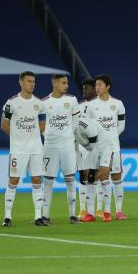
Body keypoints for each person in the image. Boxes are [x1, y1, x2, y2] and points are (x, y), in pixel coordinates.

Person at [0, 71, 46, 227]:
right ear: (21, 82)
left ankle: (38, 217)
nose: (32, 84)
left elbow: (43, 123)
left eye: (33, 81)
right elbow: (4, 125)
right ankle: (7, 217)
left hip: (36, 148)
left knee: (37, 179)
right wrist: (19, 137)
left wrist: (32, 136)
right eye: (28, 81)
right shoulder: (11, 102)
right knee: (14, 180)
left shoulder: (39, 103)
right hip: (18, 149)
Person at [85, 74, 127, 220]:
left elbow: (121, 124)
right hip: (96, 148)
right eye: (96, 85)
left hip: (114, 146)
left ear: (108, 86)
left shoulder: (118, 104)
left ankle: (119, 211)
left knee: (116, 177)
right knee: (94, 178)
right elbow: (87, 126)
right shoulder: (91, 106)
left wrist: (113, 134)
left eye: (100, 85)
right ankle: (93, 212)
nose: (97, 88)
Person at [41, 74, 80, 224]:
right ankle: (45, 216)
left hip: (67, 145)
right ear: (55, 84)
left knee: (70, 179)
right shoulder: (44, 102)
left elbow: (76, 120)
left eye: (67, 82)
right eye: (64, 83)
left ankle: (72, 215)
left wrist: (69, 133)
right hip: (50, 146)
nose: (67, 85)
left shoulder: (72, 100)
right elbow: (41, 123)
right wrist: (47, 135)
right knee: (48, 180)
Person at [75, 116, 115, 222]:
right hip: (90, 149)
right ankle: (91, 214)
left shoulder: (86, 125)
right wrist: (81, 170)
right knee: (88, 179)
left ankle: (107, 212)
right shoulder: (67, 128)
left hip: (105, 147)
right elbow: (76, 151)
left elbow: (95, 148)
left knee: (103, 176)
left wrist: (92, 170)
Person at [76, 78, 97, 219]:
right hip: (83, 146)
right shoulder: (78, 106)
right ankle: (83, 209)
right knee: (83, 178)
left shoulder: (101, 105)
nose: (84, 91)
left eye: (87, 88)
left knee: (98, 178)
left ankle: (99, 209)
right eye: (83, 89)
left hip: (97, 145)